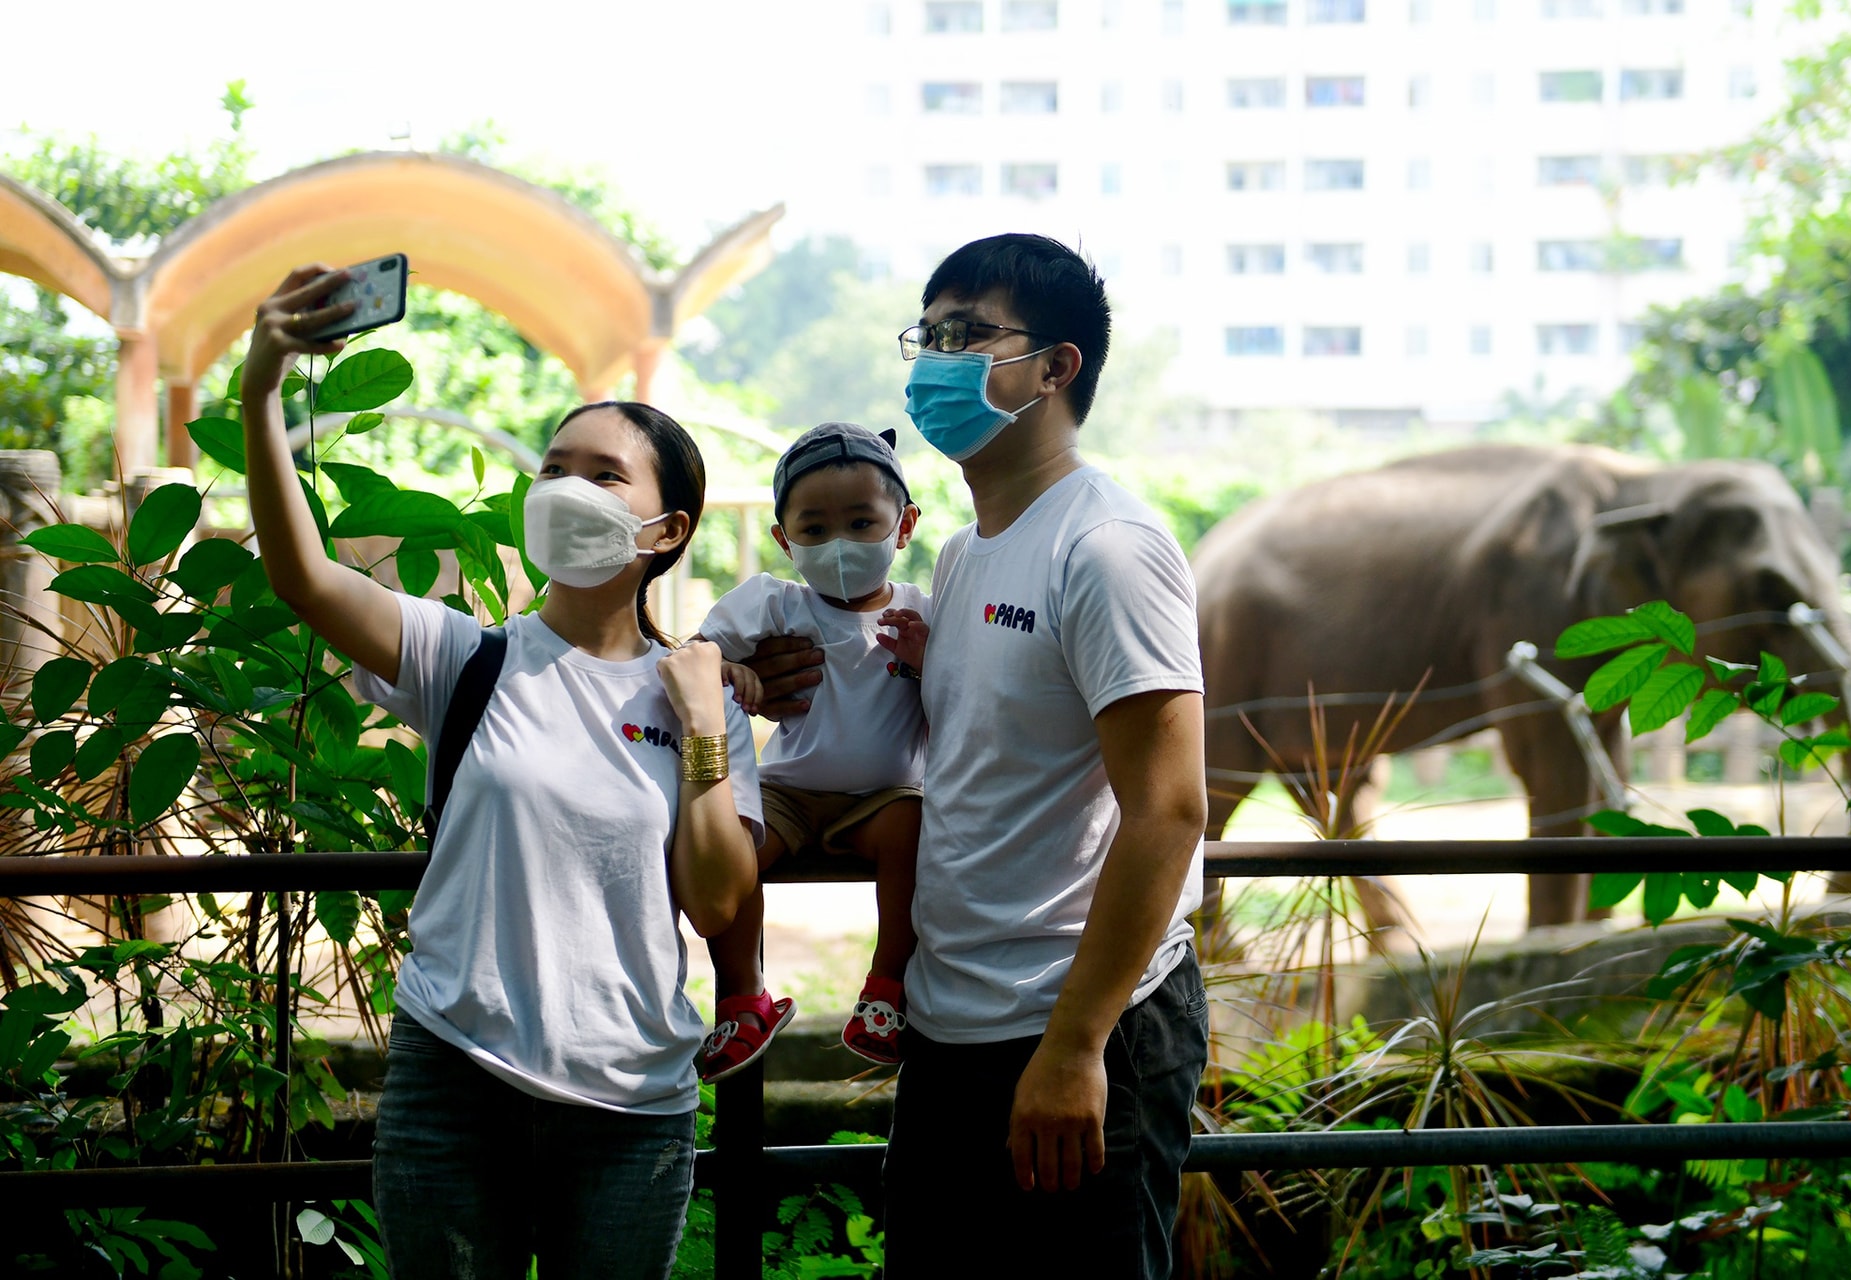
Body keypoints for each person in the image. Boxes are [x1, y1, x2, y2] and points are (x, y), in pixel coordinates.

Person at [239, 264, 761, 1280]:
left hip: (632, 1105)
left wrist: (702, 725)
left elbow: (714, 898)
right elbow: (301, 575)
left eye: (603, 473)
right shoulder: (466, 656)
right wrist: (262, 388)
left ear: (669, 530)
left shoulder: (704, 695)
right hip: (455, 1083)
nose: (566, 486)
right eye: (554, 465)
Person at [750, 234, 1209, 1277]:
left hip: (1080, 1025)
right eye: (929, 332)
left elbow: (1169, 810)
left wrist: (1079, 1042)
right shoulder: (961, 556)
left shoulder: (1107, 548)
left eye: (969, 332)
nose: (936, 359)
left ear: (1056, 367)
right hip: (951, 1023)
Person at [691, 422, 930, 1079]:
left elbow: (970, 700)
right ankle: (744, 998)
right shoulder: (775, 604)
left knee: (915, 828)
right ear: (783, 539)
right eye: (815, 529)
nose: (839, 545)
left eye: (861, 522)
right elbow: (695, 655)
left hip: (885, 802)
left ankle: (887, 990)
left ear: (903, 525)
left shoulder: (924, 616)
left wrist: (928, 664)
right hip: (787, 794)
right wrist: (730, 670)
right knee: (729, 849)